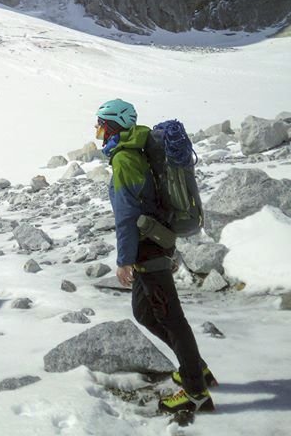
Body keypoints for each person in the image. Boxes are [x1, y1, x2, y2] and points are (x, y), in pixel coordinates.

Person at [95, 98, 217, 414]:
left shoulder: (125, 159)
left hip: (147, 250)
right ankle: (195, 367)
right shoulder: (135, 151)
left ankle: (195, 393)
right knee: (144, 312)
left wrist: (123, 260)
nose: (97, 131)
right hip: (153, 244)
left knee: (171, 319)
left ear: (112, 126)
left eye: (100, 125)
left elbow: (125, 215)